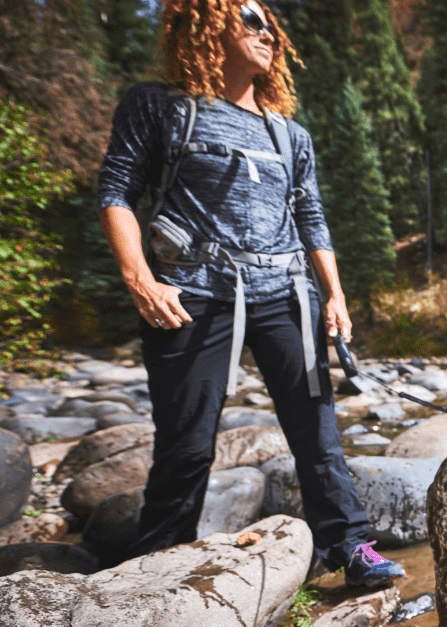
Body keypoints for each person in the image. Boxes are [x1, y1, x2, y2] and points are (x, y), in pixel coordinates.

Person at [97, 0, 405, 587]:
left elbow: (311, 217)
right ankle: (156, 564)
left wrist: (334, 296)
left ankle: (349, 546)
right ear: (206, 25)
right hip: (190, 292)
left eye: (272, 24)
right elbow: (117, 190)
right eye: (252, 19)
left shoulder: (289, 134)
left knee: (318, 435)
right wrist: (140, 279)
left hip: (285, 293)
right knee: (187, 444)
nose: (270, 33)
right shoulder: (159, 106)